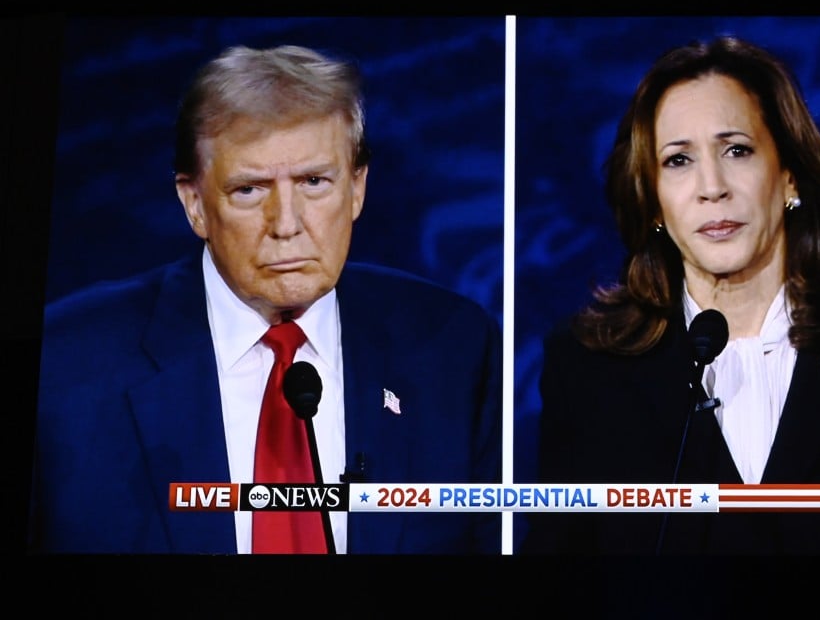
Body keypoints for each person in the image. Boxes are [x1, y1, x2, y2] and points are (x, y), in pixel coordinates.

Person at [520, 35, 820, 555]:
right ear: (652, 201)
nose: (712, 186)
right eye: (678, 161)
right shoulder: (590, 367)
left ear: (789, 175)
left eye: (737, 150)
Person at [29, 44, 502, 555]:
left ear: (358, 188)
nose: (286, 225)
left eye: (314, 182)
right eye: (250, 190)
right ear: (195, 205)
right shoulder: (64, 366)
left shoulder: (453, 347)